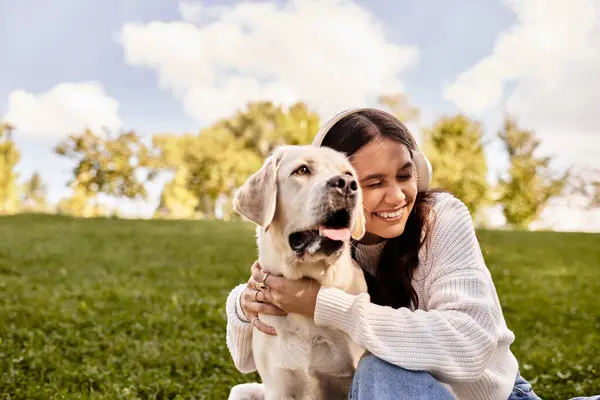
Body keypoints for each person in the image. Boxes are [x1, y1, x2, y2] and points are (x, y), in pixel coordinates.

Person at [224, 108, 542, 400]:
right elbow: (247, 359)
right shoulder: (332, 242)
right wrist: (245, 303)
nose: (396, 197)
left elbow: (470, 345)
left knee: (381, 366)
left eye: (404, 177)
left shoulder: (441, 217)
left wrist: (321, 304)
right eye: (374, 183)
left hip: (492, 397)